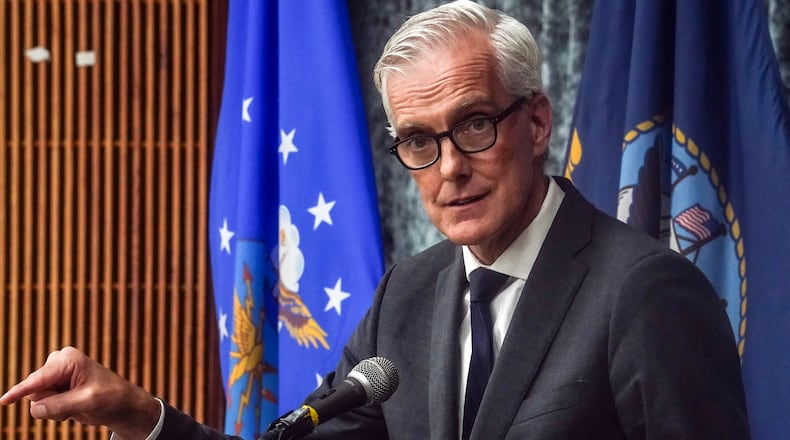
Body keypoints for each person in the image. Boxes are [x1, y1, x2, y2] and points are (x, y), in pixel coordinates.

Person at [1, 1, 750, 439]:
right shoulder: (406, 298)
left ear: (536, 123)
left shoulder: (644, 292)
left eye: (475, 125)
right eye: (418, 141)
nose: (449, 167)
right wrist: (139, 413)